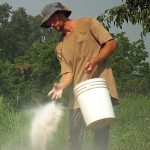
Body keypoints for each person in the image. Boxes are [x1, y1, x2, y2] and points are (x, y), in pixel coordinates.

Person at [40, 2, 119, 150]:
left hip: (98, 88)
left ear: (60, 14)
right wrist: (61, 86)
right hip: (79, 95)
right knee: (73, 136)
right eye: (49, 23)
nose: (51, 25)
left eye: (52, 20)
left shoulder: (88, 23)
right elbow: (68, 73)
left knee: (101, 133)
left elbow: (110, 44)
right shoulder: (60, 46)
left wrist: (96, 60)